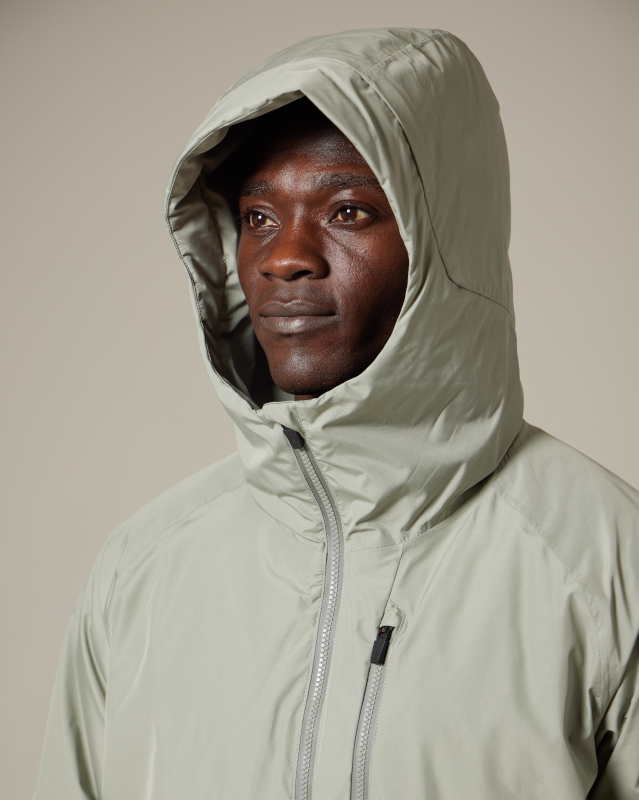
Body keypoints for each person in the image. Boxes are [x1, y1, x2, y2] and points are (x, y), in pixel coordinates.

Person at [35, 28, 639, 800]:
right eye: (258, 217)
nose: (283, 256)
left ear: (445, 242)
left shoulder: (602, 562)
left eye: (348, 211)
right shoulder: (141, 570)